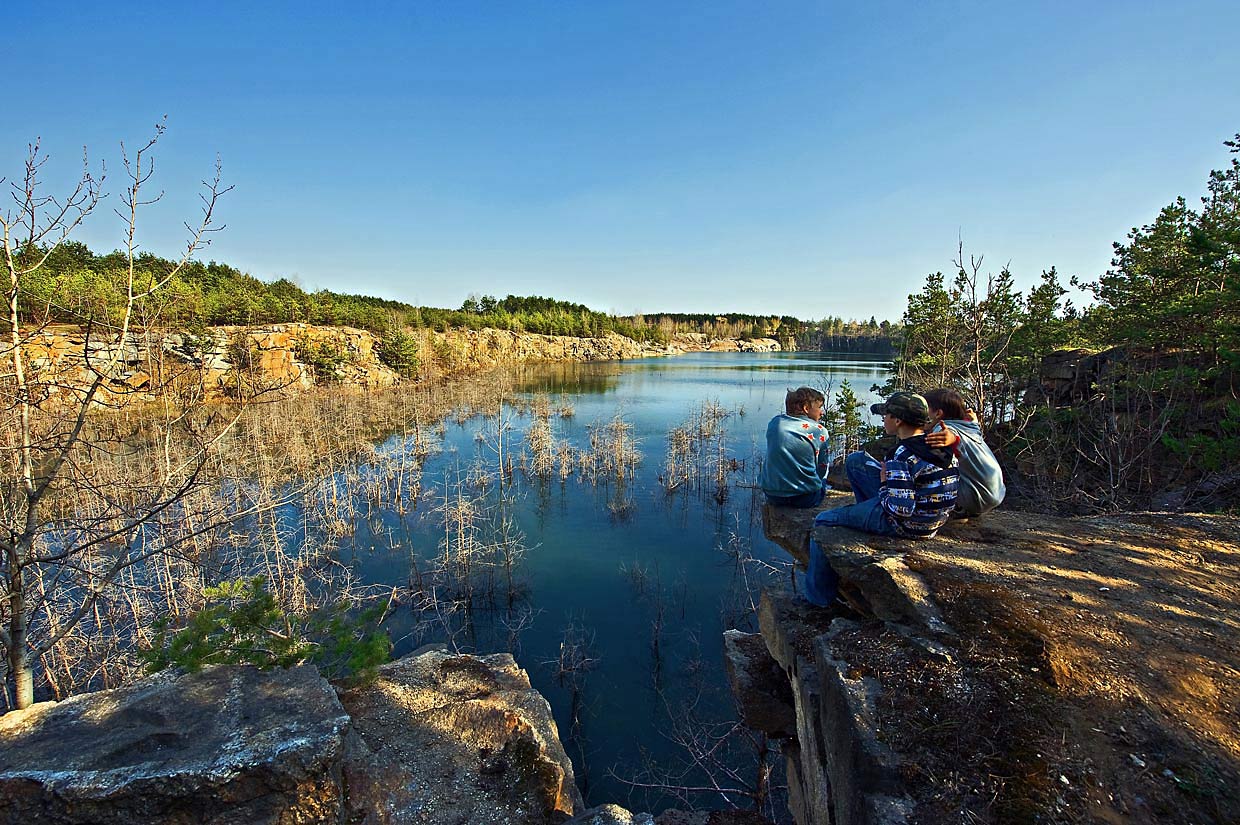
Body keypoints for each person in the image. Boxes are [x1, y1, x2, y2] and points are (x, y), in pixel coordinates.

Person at [803, 392, 958, 605]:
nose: (883, 419)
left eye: (886, 415)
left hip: (908, 525)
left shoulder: (902, 454)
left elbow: (901, 510)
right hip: (931, 518)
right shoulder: (939, 445)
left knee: (823, 520)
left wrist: (885, 484)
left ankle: (818, 601)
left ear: (898, 420)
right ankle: (866, 513)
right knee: (856, 461)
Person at [922, 388, 1005, 516]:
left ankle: (957, 510)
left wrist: (952, 439)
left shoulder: (943, 428)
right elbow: (972, 426)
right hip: (996, 493)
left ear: (938, 413)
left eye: (924, 409)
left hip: (976, 498)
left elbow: (951, 435)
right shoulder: (970, 426)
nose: (920, 414)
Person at [760, 386, 831, 508]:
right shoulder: (819, 430)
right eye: (819, 407)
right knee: (825, 469)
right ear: (806, 408)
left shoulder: (775, 423)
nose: (822, 412)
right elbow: (822, 467)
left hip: (773, 495)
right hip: (805, 498)